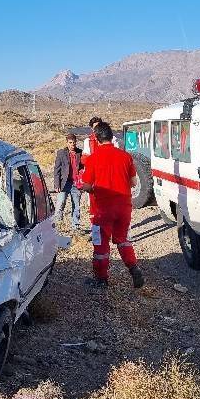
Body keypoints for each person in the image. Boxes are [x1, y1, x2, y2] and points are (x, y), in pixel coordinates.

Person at [80, 121, 145, 288]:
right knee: (122, 239)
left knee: (100, 245)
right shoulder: (125, 157)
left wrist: (95, 188)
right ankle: (133, 268)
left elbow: (86, 186)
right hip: (124, 208)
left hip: (102, 210)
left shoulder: (93, 159)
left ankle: (101, 279)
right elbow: (133, 182)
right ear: (111, 136)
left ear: (96, 138)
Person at [53, 133, 84, 233]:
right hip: (64, 183)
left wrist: (83, 181)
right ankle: (59, 226)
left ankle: (75, 226)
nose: (72, 145)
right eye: (70, 143)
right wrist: (57, 184)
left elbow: (83, 168)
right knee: (60, 204)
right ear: (67, 143)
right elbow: (56, 170)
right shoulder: (61, 153)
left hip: (76, 183)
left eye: (74, 143)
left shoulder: (80, 153)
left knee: (76, 206)